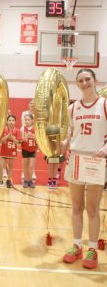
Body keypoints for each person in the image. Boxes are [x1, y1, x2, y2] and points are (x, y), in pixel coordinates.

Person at [62, 68, 107, 269]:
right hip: (76, 160)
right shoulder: (72, 108)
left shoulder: (104, 105)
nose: (84, 83)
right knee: (77, 207)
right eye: (80, 80)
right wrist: (64, 142)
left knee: (92, 208)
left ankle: (92, 249)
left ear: (95, 81)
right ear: (77, 84)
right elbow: (71, 132)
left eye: (87, 79)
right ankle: (77, 245)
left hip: (96, 162)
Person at [0, 115, 21, 188]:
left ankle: (9, 180)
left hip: (12, 151)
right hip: (4, 150)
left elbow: (18, 144)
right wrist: (7, 136)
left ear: (15, 122)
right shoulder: (3, 130)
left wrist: (12, 137)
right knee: (0, 165)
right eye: (9, 120)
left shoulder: (17, 131)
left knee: (10, 166)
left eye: (13, 120)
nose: (11, 122)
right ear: (7, 121)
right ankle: (0, 180)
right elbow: (0, 141)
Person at [20, 113, 37, 188]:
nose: (27, 121)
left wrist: (33, 137)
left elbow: (38, 140)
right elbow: (21, 140)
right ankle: (26, 180)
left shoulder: (35, 129)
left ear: (32, 121)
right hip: (25, 149)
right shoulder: (22, 128)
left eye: (28, 120)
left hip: (33, 149)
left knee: (31, 166)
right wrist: (27, 136)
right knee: (25, 166)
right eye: (26, 120)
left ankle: (30, 180)